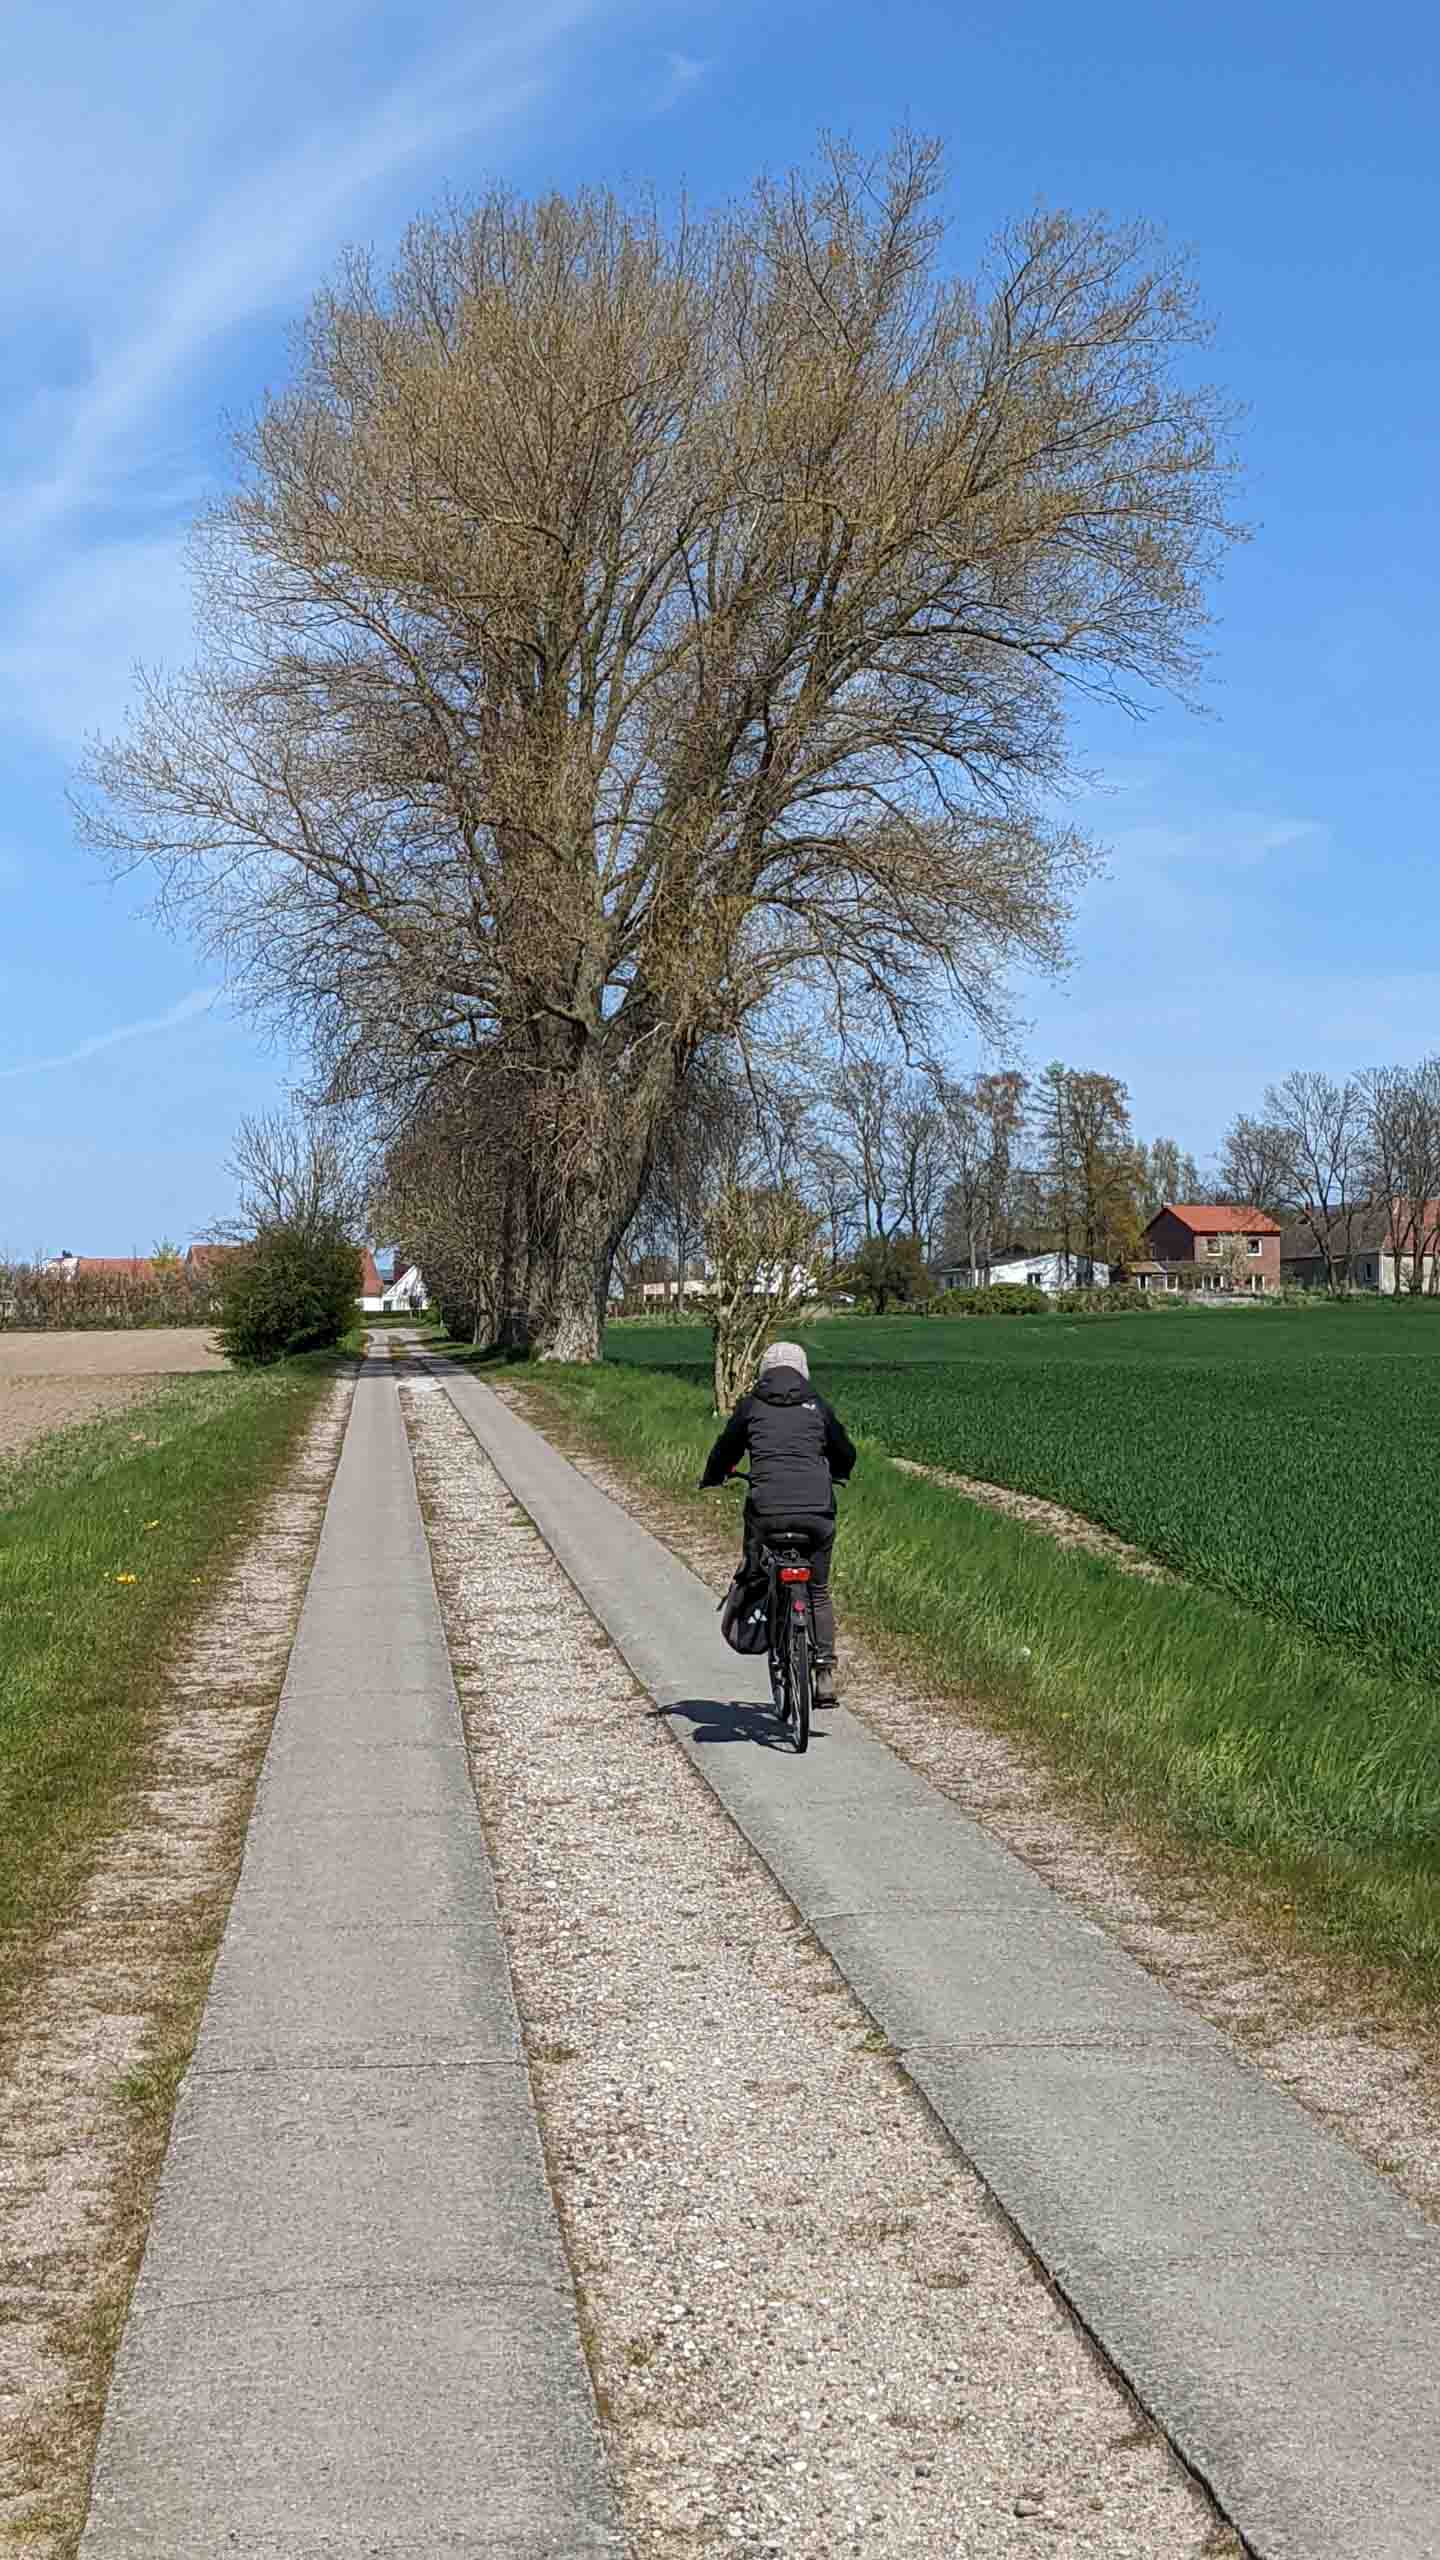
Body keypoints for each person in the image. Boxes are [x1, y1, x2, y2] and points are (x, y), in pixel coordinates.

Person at [700, 1340, 856, 1706]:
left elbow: (726, 1449)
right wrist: (840, 1471)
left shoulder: (751, 1406)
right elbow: (845, 1450)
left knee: (756, 1567)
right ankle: (824, 1669)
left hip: (768, 1512)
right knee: (817, 1590)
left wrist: (714, 1476)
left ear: (764, 1372)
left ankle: (760, 1610)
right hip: (817, 1513)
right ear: (803, 1371)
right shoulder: (817, 1406)